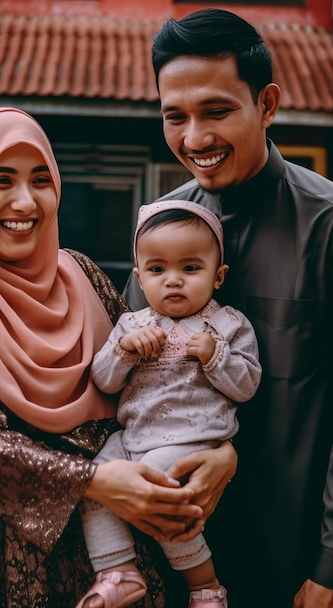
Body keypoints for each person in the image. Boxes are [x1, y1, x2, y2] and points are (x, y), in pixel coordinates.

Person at [0, 107, 236, 607]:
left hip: (134, 539)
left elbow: (159, 375)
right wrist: (94, 481)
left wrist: (223, 452)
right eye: (0, 180)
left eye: (41, 179)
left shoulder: (81, 273)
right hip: (18, 550)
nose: (26, 201)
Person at [124, 8, 333, 608]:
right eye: (176, 116)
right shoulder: (159, 229)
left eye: (216, 111)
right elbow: (127, 375)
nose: (194, 138)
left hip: (298, 559)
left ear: (267, 104)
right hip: (185, 554)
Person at [77, 200, 261, 608]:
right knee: (94, 482)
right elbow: (104, 381)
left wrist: (216, 356)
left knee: (158, 490)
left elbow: (247, 386)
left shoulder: (229, 325)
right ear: (140, 278)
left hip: (193, 439)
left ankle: (206, 587)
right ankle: (118, 570)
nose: (173, 281)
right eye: (158, 270)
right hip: (133, 437)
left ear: (218, 276)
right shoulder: (132, 325)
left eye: (190, 269)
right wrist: (124, 352)